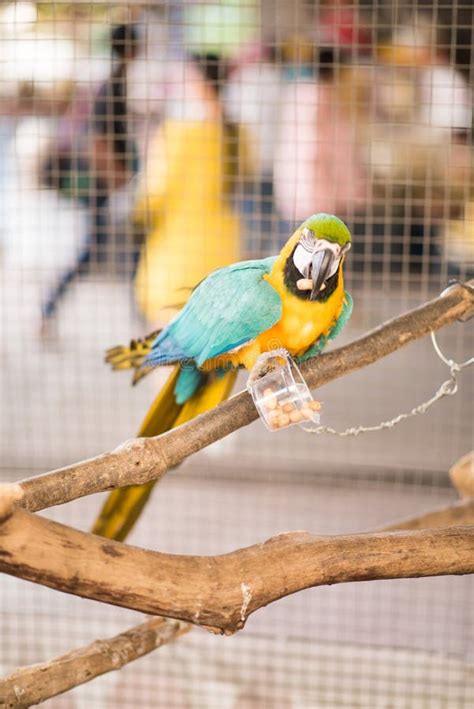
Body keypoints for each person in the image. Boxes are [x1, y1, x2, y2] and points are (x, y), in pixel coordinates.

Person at [40, 23, 141, 326]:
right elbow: (96, 142)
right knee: (96, 251)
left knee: (121, 249)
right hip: (105, 186)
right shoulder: (112, 85)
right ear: (130, 48)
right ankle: (48, 309)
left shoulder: (116, 82)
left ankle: (141, 316)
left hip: (109, 184)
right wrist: (120, 179)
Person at [133, 53, 243, 326]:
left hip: (177, 252)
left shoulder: (176, 133)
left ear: (200, 82)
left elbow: (154, 191)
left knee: (168, 350)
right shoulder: (236, 132)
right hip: (222, 247)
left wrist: (137, 214)